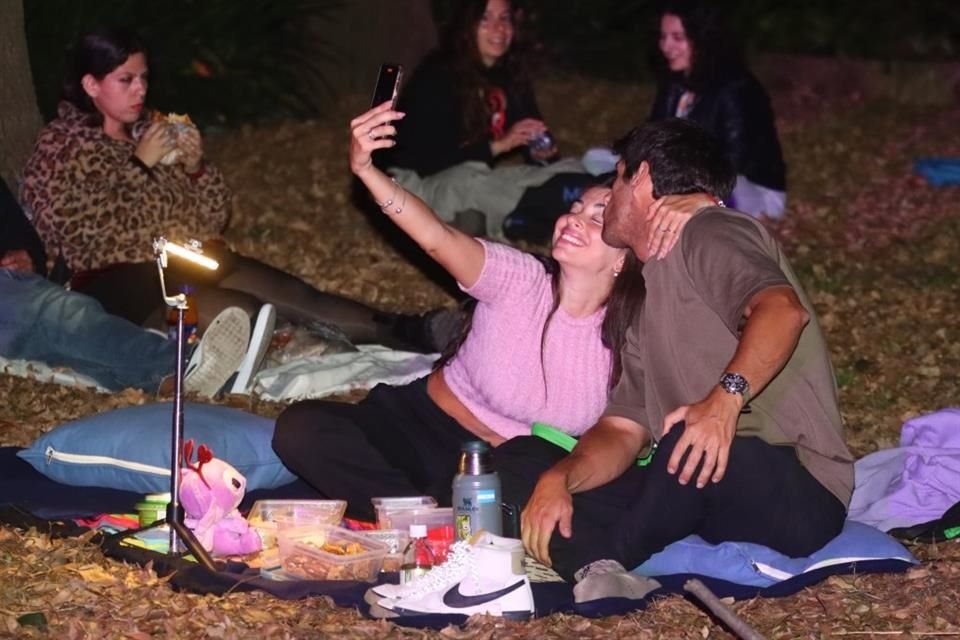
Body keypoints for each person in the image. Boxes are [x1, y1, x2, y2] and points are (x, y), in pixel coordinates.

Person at [272, 102, 713, 522]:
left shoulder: (631, 336)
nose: (573, 219)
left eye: (598, 218)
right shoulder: (520, 279)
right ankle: (426, 523)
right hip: (419, 425)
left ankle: (418, 517)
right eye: (575, 208)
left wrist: (706, 207)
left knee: (546, 501)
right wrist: (367, 171)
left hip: (501, 471)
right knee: (303, 431)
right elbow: (436, 236)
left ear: (624, 258)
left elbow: (714, 292)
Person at [496, 119, 852, 603]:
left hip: (795, 487)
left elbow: (782, 312)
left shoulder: (710, 230)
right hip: (694, 478)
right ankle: (596, 565)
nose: (608, 200)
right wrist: (562, 476)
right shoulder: (645, 294)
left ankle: (603, 559)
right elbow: (625, 428)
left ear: (639, 178)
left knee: (685, 440)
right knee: (522, 458)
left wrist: (723, 403)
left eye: (616, 179)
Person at [19, 26, 453, 354]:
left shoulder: (152, 129)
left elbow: (214, 215)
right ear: (91, 85)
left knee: (299, 297)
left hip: (186, 257)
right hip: (120, 280)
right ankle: (261, 347)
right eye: (125, 80)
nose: (141, 89)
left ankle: (416, 330)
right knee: (240, 311)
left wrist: (194, 169)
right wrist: (139, 165)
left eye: (144, 78)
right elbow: (78, 232)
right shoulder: (61, 145)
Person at [0, 175, 250, 395]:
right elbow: (76, 227)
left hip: (154, 258)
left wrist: (28, 259)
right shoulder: (64, 143)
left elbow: (28, 245)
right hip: (100, 272)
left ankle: (179, 379)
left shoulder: (156, 135)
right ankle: (180, 364)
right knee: (58, 312)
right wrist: (139, 164)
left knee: (61, 342)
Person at [380, 0, 596, 239]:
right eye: (485, 19)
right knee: (471, 181)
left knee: (571, 167)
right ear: (467, 26)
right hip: (420, 184)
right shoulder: (438, 75)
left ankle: (522, 217)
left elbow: (534, 145)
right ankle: (530, 213)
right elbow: (427, 161)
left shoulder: (511, 76)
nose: (498, 28)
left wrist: (542, 153)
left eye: (504, 18)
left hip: (476, 178)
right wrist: (498, 146)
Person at [650, 0, 788, 219]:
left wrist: (675, 171)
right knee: (603, 161)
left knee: (688, 192)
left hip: (745, 190)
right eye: (663, 36)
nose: (666, 47)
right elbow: (653, 136)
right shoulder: (674, 85)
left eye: (678, 37)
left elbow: (734, 162)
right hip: (681, 178)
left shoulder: (734, 88)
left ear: (701, 39)